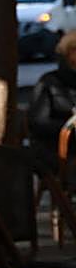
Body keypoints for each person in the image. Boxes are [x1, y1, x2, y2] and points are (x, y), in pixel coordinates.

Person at [28, 31, 76, 174]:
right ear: (67, 54)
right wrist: (70, 126)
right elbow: (38, 122)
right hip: (56, 148)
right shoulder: (49, 82)